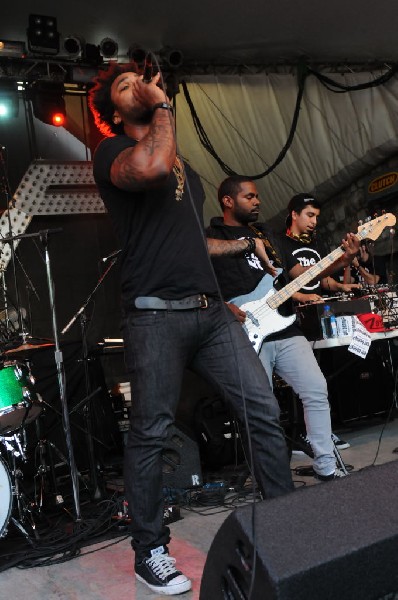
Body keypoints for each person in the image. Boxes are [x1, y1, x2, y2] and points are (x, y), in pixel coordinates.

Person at [88, 63, 294, 596]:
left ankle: (292, 527)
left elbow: (189, 240)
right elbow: (152, 167)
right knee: (151, 433)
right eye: (124, 85)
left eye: (141, 78)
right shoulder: (113, 153)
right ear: (114, 111)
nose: (138, 85)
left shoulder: (185, 167)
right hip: (155, 315)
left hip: (209, 312)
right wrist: (161, 105)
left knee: (264, 410)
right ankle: (149, 550)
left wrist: (237, 248)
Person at [206, 179, 360, 481]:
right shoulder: (211, 237)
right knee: (261, 409)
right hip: (245, 331)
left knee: (316, 390)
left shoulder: (267, 234)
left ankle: (326, 466)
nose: (257, 201)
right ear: (227, 201)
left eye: (258, 196)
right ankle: (270, 478)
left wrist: (345, 258)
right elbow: (199, 281)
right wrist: (223, 305)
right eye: (249, 196)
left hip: (285, 326)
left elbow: (300, 276)